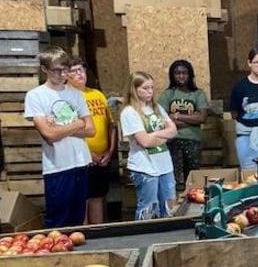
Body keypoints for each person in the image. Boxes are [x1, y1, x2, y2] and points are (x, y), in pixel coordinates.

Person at [24, 46, 94, 228]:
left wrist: (62, 128)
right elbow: (49, 135)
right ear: (44, 69)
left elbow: (90, 129)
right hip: (58, 167)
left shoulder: (76, 94)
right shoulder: (35, 96)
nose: (63, 74)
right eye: (57, 70)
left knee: (77, 218)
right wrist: (77, 123)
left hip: (81, 162)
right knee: (57, 220)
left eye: (65, 69)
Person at [120, 72, 178, 220]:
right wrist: (161, 136)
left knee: (169, 206)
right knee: (148, 208)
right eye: (145, 88)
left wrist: (153, 135)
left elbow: (173, 131)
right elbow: (144, 141)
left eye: (152, 87)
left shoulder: (156, 107)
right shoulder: (129, 112)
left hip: (164, 165)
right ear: (134, 89)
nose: (150, 91)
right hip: (145, 167)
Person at [67, 57, 117, 224]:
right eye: (74, 71)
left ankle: (99, 237)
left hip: (103, 158)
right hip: (81, 159)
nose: (79, 74)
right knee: (83, 200)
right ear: (66, 75)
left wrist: (110, 152)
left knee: (98, 197)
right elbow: (70, 131)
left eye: (81, 69)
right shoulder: (67, 98)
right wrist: (89, 154)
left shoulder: (97, 94)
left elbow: (111, 125)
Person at [158, 60, 209, 190]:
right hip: (172, 141)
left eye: (184, 73)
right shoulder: (167, 94)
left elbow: (202, 117)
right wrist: (191, 120)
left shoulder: (198, 94)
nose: (181, 76)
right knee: (174, 179)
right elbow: (162, 119)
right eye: (177, 73)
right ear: (172, 75)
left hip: (193, 141)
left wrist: (176, 116)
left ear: (190, 75)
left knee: (192, 179)